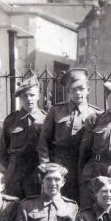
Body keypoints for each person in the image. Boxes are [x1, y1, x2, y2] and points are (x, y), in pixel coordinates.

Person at [37, 68, 99, 202]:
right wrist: (45, 164)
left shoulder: (95, 114)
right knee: (56, 200)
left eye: (81, 89)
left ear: (88, 90)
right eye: (73, 89)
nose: (78, 93)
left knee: (82, 201)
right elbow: (43, 140)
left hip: (83, 165)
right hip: (58, 163)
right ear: (68, 91)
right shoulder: (56, 111)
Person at [0, 75, 46, 199]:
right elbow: (1, 152)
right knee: (12, 208)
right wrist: (12, 169)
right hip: (14, 174)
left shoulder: (46, 119)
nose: (29, 99)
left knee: (34, 210)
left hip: (36, 173)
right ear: (20, 98)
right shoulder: (11, 120)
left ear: (38, 96)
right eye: (24, 96)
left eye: (32, 95)